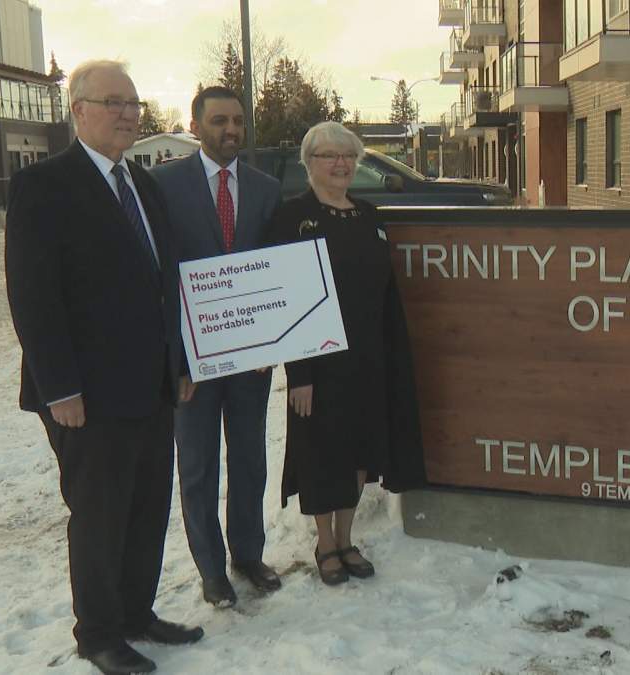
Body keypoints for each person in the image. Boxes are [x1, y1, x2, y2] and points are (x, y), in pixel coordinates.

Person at [4, 60, 202, 675]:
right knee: (100, 515)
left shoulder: (143, 185)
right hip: (85, 394)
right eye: (113, 101)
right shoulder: (44, 186)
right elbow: (33, 297)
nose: (127, 114)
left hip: (152, 385)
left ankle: (137, 613)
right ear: (78, 109)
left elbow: (167, 286)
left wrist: (183, 363)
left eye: (134, 103)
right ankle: (98, 634)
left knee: (147, 506)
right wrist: (59, 386)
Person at [264, 121, 426, 585]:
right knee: (322, 452)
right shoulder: (292, 218)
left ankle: (347, 536)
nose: (341, 164)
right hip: (318, 364)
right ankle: (325, 542)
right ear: (309, 163)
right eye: (330, 156)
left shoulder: (370, 215)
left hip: (368, 357)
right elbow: (286, 299)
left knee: (359, 450)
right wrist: (300, 374)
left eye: (348, 156)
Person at [152, 86, 282, 608]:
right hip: (191, 361)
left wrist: (270, 338)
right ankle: (211, 569)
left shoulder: (265, 188)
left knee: (250, 458)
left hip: (250, 357)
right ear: (196, 124)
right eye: (219, 120)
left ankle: (247, 553)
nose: (231, 130)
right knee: (199, 465)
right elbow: (160, 276)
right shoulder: (162, 185)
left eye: (238, 121)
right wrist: (174, 359)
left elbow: (273, 269)